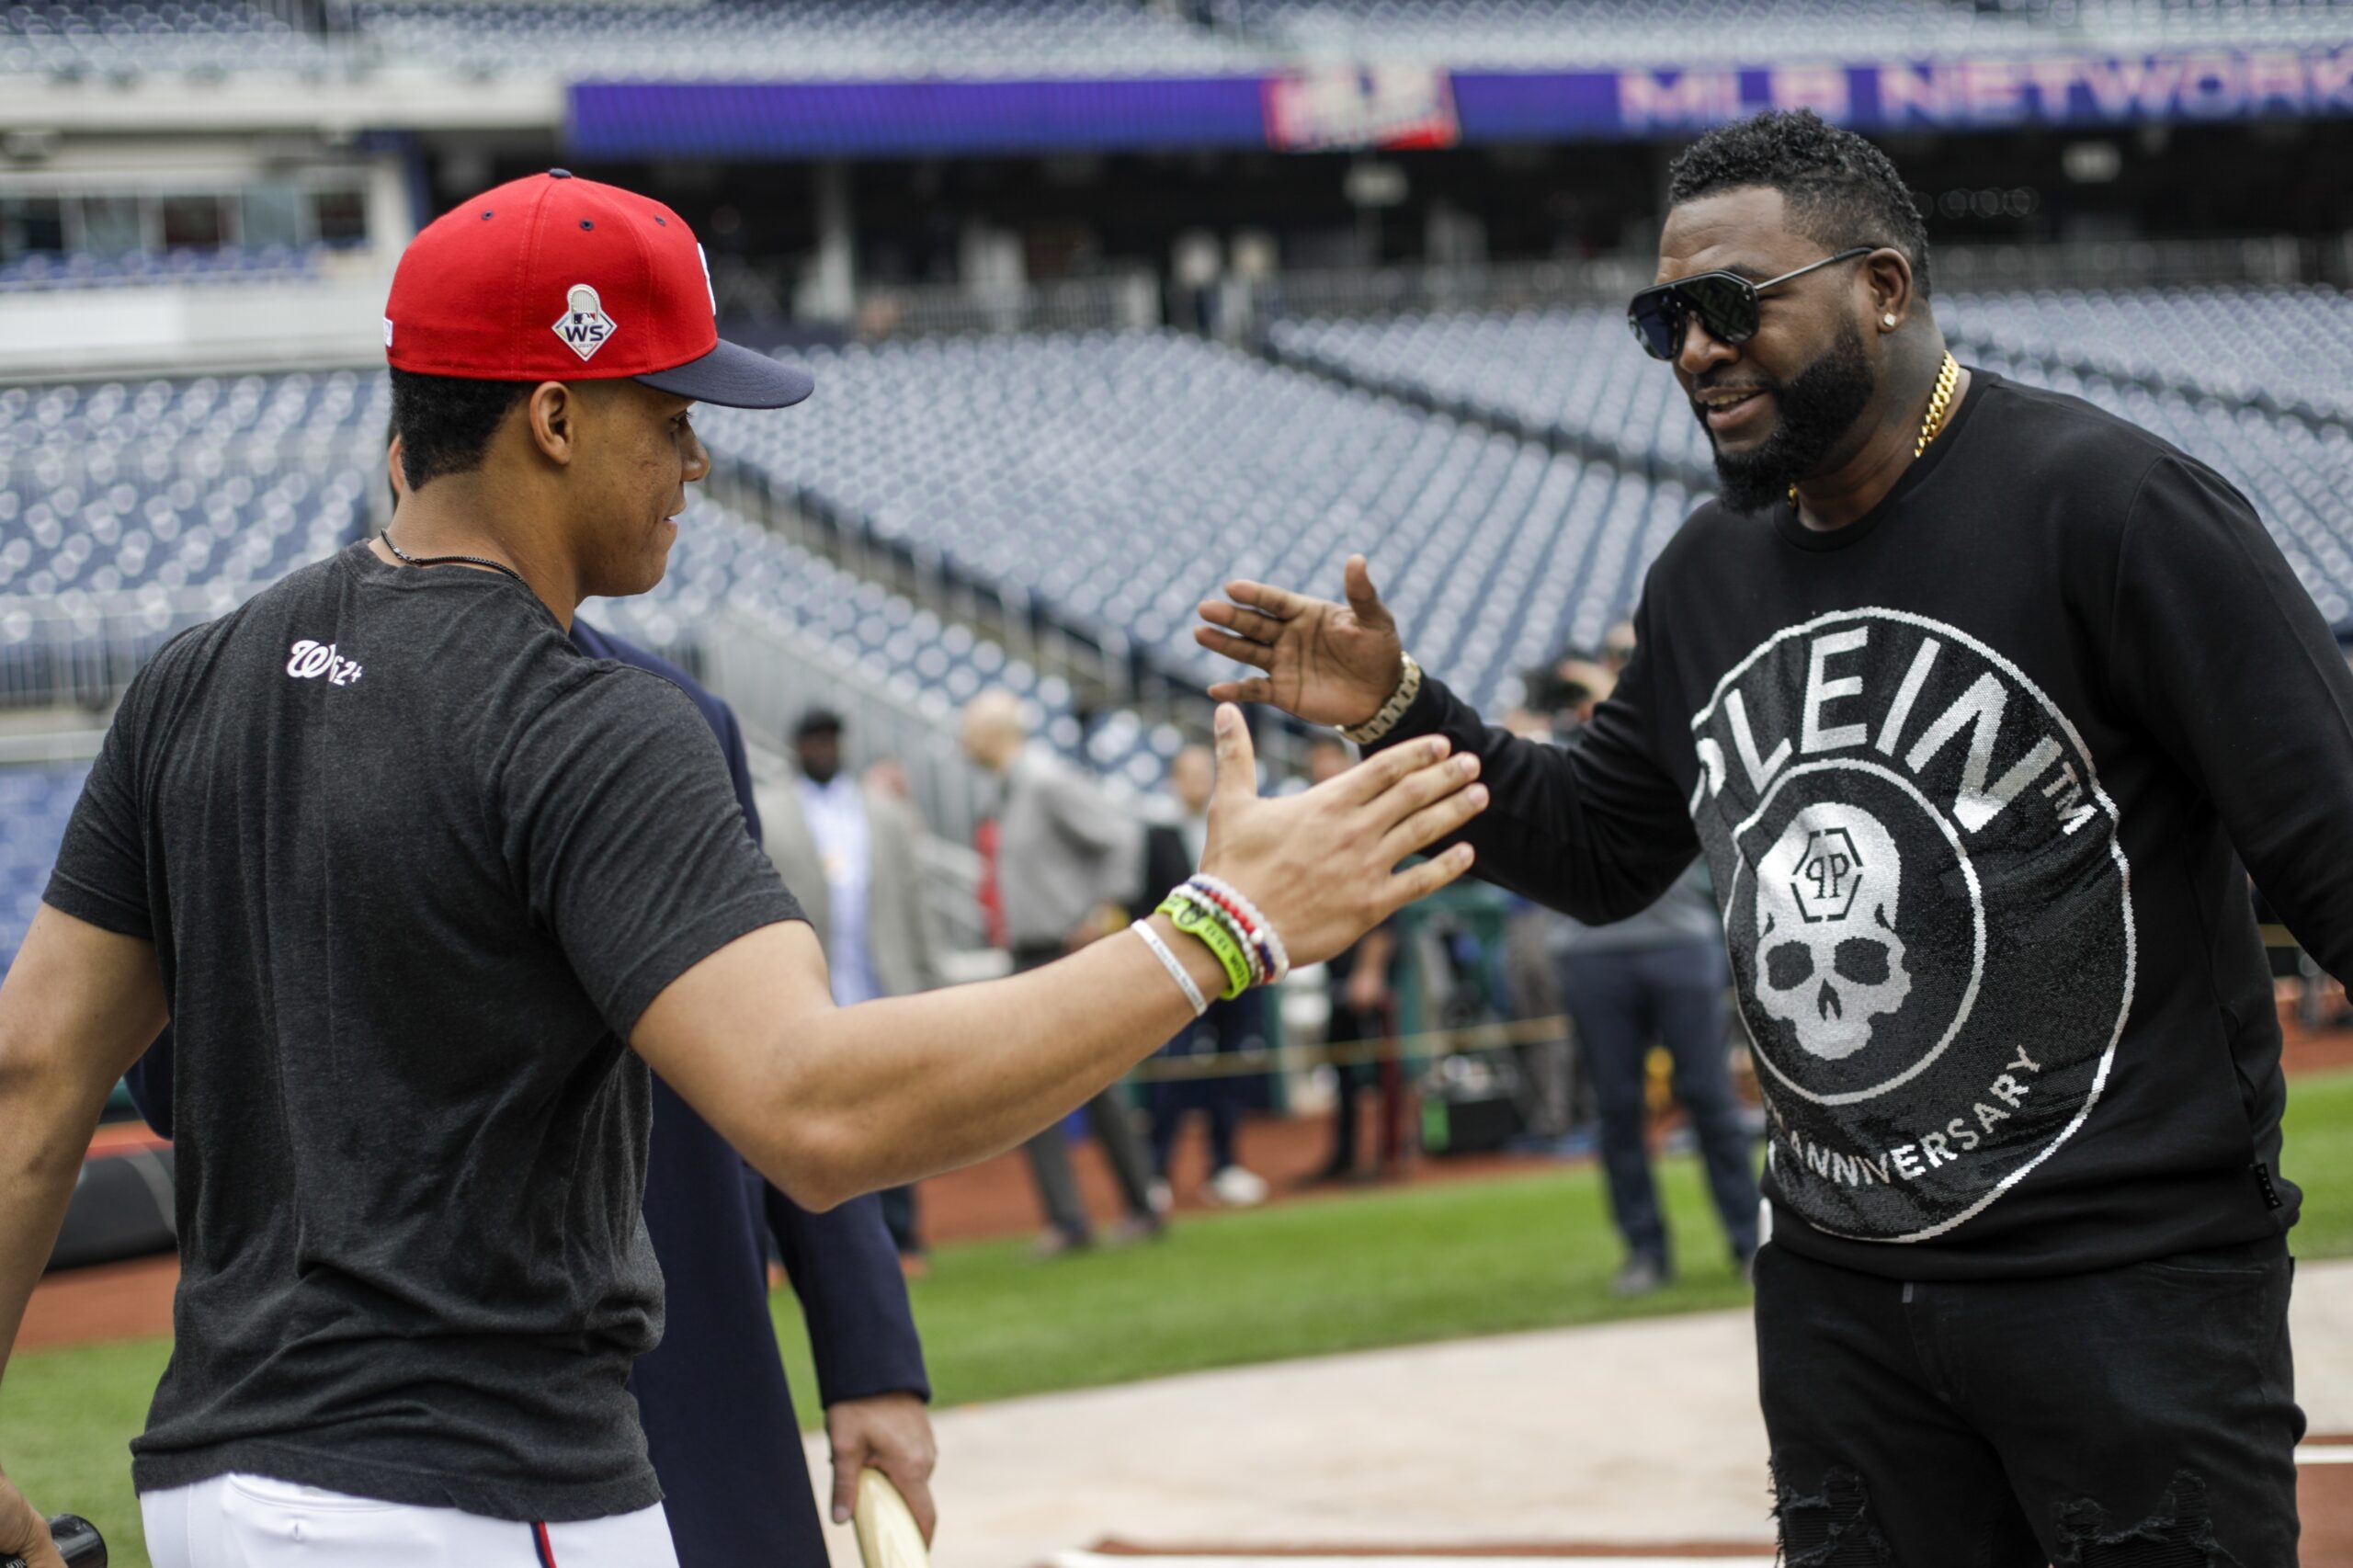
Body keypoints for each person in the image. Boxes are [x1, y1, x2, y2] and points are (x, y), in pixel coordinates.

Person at [0, 170, 1486, 1568]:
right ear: (557, 415)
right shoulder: (585, 713)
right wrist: (1225, 929)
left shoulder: (200, 675)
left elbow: (32, 1077)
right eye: (671, 410)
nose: (698, 456)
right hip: (478, 1491)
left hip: (210, 1480)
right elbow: (814, 1110)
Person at [1198, 109, 2344, 1564]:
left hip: (2122, 1285)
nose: (1695, 350)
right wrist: (1404, 708)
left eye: (1734, 305)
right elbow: (1605, 849)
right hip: (1840, 1302)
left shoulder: (2112, 507)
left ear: (1885, 287)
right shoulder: (1709, 571)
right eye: (1666, 316)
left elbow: (2334, 843)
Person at [111, 438, 938, 1568]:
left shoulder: (663, 722)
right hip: (409, 1402)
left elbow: (789, 1049)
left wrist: (870, 1358)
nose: (688, 459)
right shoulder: (251, 715)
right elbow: (180, 1075)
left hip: (671, 1331)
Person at [959, 689, 1165, 1255]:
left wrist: (1102, 910)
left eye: (968, 730)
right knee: (1036, 1088)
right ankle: (1077, 1217)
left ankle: (1135, 1205)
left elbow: (1122, 838)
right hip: (1028, 953)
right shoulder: (1006, 791)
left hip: (1064, 950)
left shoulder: (1044, 781)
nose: (961, 741)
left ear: (992, 733)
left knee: (1088, 1082)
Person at [760, 708, 945, 1267]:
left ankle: (902, 1236)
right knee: (798, 1124)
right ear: (797, 746)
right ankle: (787, 1249)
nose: (823, 747)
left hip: (877, 983)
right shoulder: (770, 811)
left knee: (893, 1119)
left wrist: (925, 978)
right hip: (807, 988)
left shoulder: (882, 812)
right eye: (813, 739)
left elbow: (914, 903)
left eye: (830, 738)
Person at [1142, 744, 1270, 1209]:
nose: (1197, 782)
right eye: (1188, 774)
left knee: (1230, 1067)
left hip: (1235, 973)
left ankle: (1224, 1164)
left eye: (1203, 774)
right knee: (1173, 1071)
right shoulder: (1158, 837)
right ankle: (1156, 1170)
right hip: (1180, 976)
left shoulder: (1234, 831)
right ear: (1175, 781)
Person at [1300, 737, 1411, 1186]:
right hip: (1337, 966)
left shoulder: (1371, 822)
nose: (1324, 780)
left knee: (1383, 1067)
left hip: (1370, 966)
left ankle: (1389, 1157)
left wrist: (1370, 970)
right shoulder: (1317, 828)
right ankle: (1345, 1156)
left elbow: (1386, 908)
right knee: (1342, 1066)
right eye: (1318, 773)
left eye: (1331, 771)